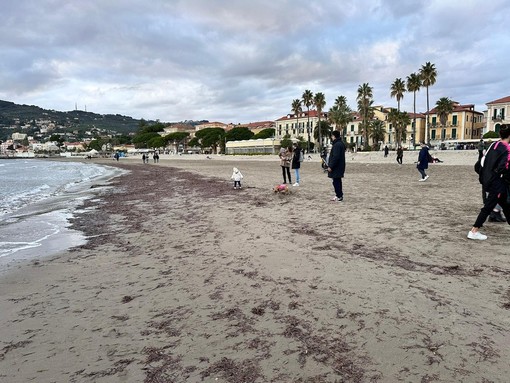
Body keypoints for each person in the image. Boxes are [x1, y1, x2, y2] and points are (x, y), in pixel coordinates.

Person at [468, 124, 510, 240]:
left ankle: (475, 230)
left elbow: (482, 162)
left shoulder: (493, 145)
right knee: (488, 207)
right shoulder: (507, 148)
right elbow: (504, 167)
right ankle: (474, 230)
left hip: (488, 180)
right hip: (497, 182)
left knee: (506, 206)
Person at [327, 130, 346, 202]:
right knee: (337, 181)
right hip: (339, 166)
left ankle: (339, 196)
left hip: (337, 167)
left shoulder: (337, 145)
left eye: (332, 136)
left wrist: (331, 166)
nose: (331, 137)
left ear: (334, 136)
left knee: (336, 181)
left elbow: (336, 157)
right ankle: (339, 195)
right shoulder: (340, 144)